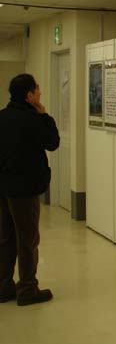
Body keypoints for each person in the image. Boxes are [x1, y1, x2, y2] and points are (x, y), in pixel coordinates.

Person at [0, 74, 60, 306]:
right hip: (24, 190)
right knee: (27, 239)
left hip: (3, 187)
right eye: (37, 89)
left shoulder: (2, 117)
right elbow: (52, 142)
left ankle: (4, 286)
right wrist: (44, 114)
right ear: (29, 95)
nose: (40, 92)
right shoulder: (32, 119)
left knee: (5, 238)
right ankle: (27, 288)